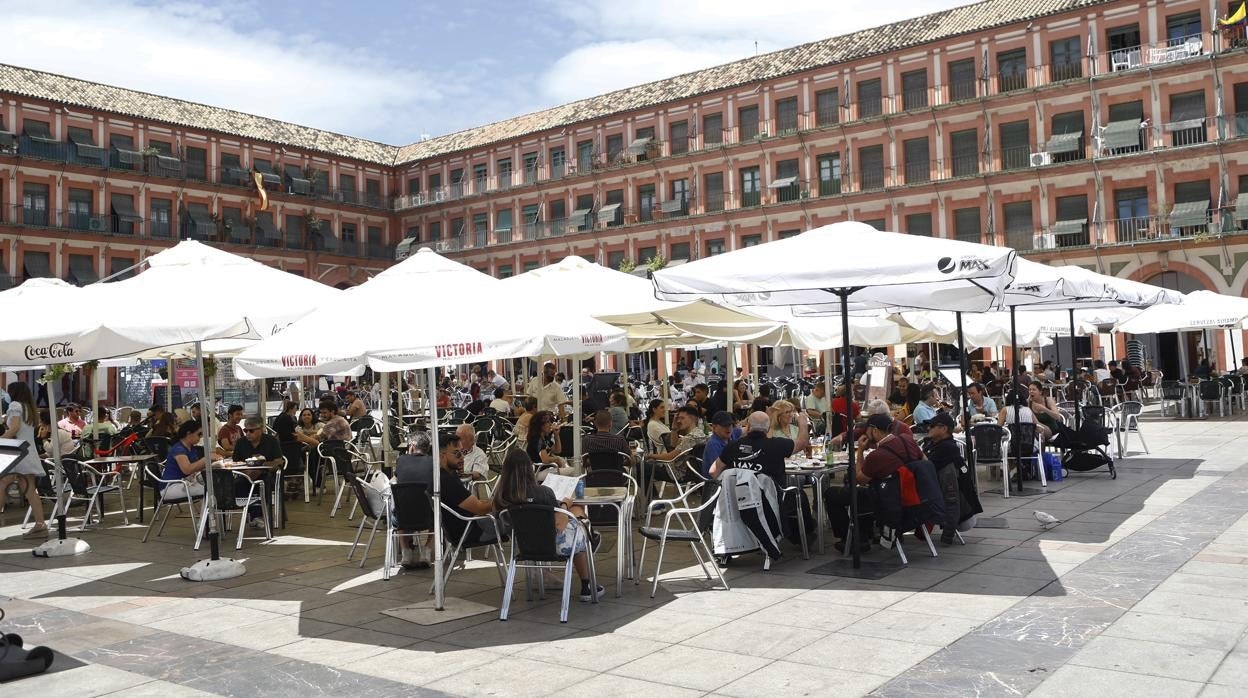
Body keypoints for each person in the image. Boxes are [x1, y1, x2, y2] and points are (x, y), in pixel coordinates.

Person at [493, 450, 604, 601]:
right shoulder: (543, 492)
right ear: (529, 469)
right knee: (579, 519)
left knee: (575, 519)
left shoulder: (501, 497)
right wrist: (564, 505)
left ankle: (586, 575)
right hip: (553, 545)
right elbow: (559, 525)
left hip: (524, 545)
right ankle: (587, 584)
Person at [824, 413, 921, 553]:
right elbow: (923, 460)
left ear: (874, 430)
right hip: (914, 496)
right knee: (861, 491)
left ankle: (851, 540)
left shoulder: (877, 456)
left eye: (866, 430)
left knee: (833, 493)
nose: (865, 433)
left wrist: (860, 451)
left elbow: (859, 478)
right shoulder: (907, 440)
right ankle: (865, 533)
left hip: (888, 502)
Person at [709, 410, 805, 492]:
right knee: (800, 495)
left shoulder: (732, 446)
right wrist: (803, 422)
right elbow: (802, 443)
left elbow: (713, 472)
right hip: (770, 503)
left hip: (738, 503)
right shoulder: (778, 445)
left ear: (749, 426)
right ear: (768, 428)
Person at [922, 412, 980, 544]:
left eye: (932, 426)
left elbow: (951, 499)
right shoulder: (934, 445)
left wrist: (947, 536)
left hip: (962, 515)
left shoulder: (947, 450)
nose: (928, 428)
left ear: (944, 429)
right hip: (949, 503)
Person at [0, 382, 50, 536]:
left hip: (16, 453)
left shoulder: (15, 405)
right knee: (30, 490)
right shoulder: (29, 408)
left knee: (2, 483)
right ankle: (40, 524)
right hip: (28, 452)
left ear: (14, 392)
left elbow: (14, 428)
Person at [231, 416, 283, 526]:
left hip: (267, 473)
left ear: (261, 429)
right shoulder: (241, 442)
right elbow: (236, 462)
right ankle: (252, 513)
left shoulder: (271, 440)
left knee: (264, 483)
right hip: (245, 474)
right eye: (245, 430)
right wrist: (246, 471)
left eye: (251, 430)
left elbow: (278, 461)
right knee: (238, 484)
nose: (248, 433)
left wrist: (261, 465)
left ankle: (259, 515)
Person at [161, 419, 207, 500]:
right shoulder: (179, 449)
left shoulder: (191, 448)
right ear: (188, 434)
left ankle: (205, 512)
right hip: (170, 487)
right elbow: (187, 469)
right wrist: (206, 460)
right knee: (210, 490)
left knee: (211, 487)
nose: (201, 437)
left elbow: (196, 468)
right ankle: (206, 512)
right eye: (199, 434)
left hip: (183, 484)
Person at [702, 410, 742, 478]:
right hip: (716, 483)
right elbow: (719, 471)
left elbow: (747, 430)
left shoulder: (731, 434)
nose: (728, 428)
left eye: (730, 425)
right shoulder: (713, 444)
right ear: (714, 428)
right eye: (725, 426)